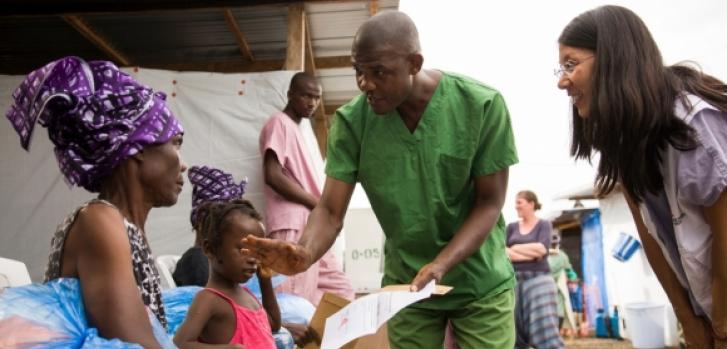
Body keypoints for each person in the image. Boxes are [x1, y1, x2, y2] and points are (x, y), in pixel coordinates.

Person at [246, 10, 519, 348]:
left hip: (480, 281)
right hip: (408, 288)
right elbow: (330, 212)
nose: (365, 83)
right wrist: (303, 252)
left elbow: (489, 203)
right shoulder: (352, 124)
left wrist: (440, 264)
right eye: (358, 71)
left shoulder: (480, 106)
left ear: (414, 64)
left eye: (379, 72)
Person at [557, 5, 727, 348]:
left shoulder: (694, 124)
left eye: (571, 65)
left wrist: (722, 326)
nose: (562, 81)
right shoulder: (626, 142)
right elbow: (652, 239)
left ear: (613, 59)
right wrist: (690, 323)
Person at [5, 56, 186, 348]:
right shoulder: (101, 221)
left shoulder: (123, 226)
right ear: (137, 146)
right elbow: (135, 343)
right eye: (175, 143)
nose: (184, 164)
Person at [259, 72, 354, 306]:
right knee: (293, 300)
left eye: (317, 97)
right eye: (306, 95)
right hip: (291, 224)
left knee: (341, 293)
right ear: (290, 94)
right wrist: (317, 203)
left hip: (312, 226)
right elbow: (272, 175)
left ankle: (320, 341)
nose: (312, 102)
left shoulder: (299, 130)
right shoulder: (278, 122)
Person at [173, 200, 279, 349]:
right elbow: (181, 343)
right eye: (243, 249)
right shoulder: (209, 299)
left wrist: (265, 280)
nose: (252, 258)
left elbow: (273, 324)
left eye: (258, 251)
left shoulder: (247, 295)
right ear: (210, 249)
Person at [506, 191, 564, 349]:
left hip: (539, 281)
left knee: (544, 328)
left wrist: (515, 248)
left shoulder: (543, 224)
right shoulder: (511, 228)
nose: (516, 205)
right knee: (515, 329)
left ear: (531, 204)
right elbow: (504, 252)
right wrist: (528, 254)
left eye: (520, 202)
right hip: (515, 281)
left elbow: (542, 249)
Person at [547, 233, 576, 335]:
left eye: (554, 244)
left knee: (559, 311)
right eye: (551, 244)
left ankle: (556, 333)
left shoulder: (562, 256)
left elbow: (569, 270)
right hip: (545, 288)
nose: (553, 246)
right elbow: (569, 270)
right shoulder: (543, 255)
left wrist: (573, 278)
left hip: (558, 289)